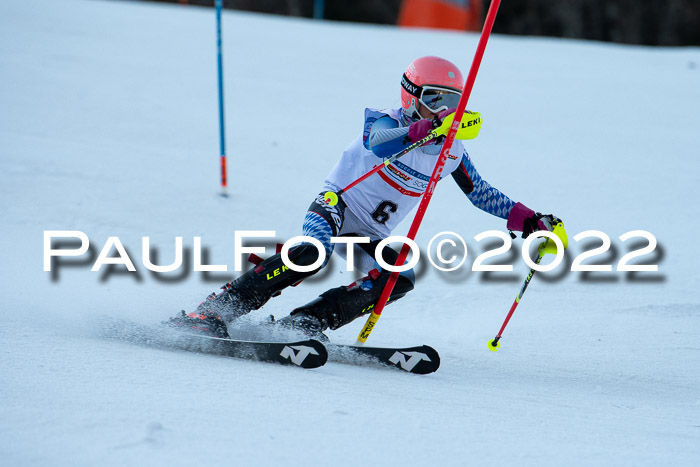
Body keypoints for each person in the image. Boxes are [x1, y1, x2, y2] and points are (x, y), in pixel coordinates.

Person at [169, 56, 564, 339]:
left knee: (399, 278)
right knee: (311, 253)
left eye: (453, 101)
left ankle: (307, 322)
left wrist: (530, 221)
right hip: (337, 205)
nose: (445, 110)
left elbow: (480, 193)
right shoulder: (387, 119)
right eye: (434, 98)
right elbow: (376, 144)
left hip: (371, 231)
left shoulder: (451, 151)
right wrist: (422, 129)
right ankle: (215, 309)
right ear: (411, 96)